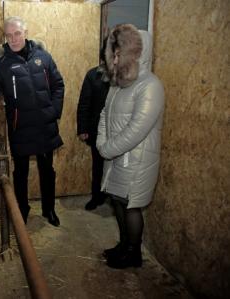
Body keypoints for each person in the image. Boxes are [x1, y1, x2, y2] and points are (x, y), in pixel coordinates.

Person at [0, 16, 65, 227]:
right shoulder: (2, 65)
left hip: (46, 126)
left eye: (17, 34)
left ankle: (49, 209)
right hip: (21, 127)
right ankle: (22, 211)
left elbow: (58, 85)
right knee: (21, 173)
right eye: (8, 36)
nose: (13, 39)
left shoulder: (43, 58)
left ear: (25, 33)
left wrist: (53, 111)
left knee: (47, 170)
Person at [96, 24, 164, 269]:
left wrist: (107, 148)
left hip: (136, 160)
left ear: (136, 52)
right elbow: (105, 113)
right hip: (115, 157)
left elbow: (138, 129)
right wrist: (101, 143)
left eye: (120, 51)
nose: (115, 56)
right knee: (117, 203)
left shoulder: (150, 85)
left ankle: (133, 254)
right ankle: (123, 246)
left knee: (130, 206)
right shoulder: (119, 83)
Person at [77, 38, 110, 211]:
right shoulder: (93, 74)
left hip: (119, 131)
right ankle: (96, 197)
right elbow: (84, 103)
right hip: (97, 129)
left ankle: (114, 199)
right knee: (98, 165)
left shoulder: (124, 75)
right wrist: (82, 129)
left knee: (116, 168)